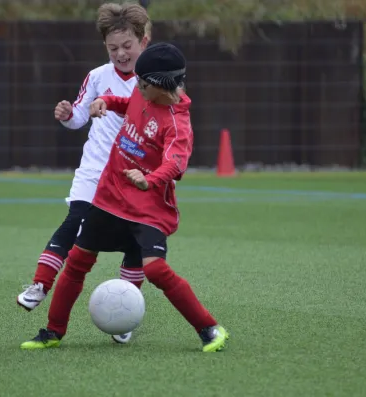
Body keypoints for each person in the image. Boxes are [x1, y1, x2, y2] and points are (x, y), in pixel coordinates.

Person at [20, 42, 229, 353]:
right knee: (78, 261)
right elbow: (124, 101)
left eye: (142, 82)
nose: (136, 85)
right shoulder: (141, 91)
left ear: (160, 85)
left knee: (155, 269)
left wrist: (149, 179)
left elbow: (176, 162)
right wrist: (105, 100)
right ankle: (52, 332)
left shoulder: (177, 123)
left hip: (149, 208)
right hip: (109, 196)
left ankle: (209, 328)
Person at [17, 3, 152, 345]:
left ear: (144, 42)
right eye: (113, 48)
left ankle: (125, 313)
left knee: (136, 240)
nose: (121, 54)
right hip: (94, 170)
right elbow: (78, 117)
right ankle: (40, 284)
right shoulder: (96, 76)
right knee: (75, 221)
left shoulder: (153, 81)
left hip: (134, 174)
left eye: (127, 47)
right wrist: (66, 114)